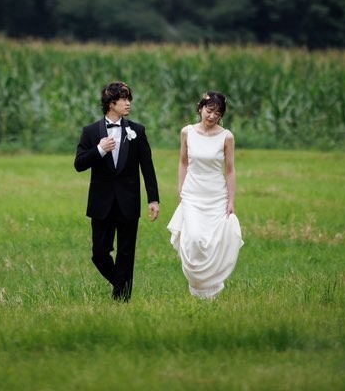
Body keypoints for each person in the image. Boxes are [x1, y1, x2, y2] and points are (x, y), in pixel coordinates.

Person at [74, 81, 160, 302]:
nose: (128, 103)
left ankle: (122, 300)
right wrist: (100, 150)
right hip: (101, 203)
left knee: (126, 253)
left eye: (129, 99)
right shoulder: (91, 132)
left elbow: (147, 167)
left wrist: (153, 199)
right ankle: (121, 286)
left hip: (129, 201)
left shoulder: (137, 131)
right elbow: (79, 164)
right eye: (124, 99)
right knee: (99, 255)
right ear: (111, 103)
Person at [167, 91, 243, 299]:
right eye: (209, 111)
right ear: (200, 108)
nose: (212, 116)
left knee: (212, 242)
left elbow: (230, 170)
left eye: (217, 113)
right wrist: (180, 191)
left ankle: (211, 290)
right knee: (194, 240)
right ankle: (196, 285)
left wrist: (231, 201)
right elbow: (183, 162)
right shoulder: (187, 132)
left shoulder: (227, 136)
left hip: (216, 196)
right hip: (192, 194)